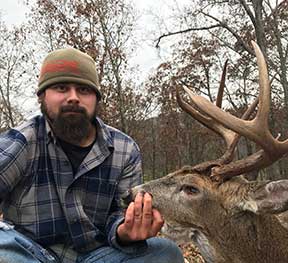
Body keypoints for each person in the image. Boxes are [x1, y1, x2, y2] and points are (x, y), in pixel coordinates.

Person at [0, 47, 184, 263]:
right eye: (61, 88)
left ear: (96, 99)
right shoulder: (21, 141)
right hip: (30, 253)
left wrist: (124, 232)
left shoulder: (125, 150)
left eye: (84, 90)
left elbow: (119, 214)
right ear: (42, 96)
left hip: (96, 256)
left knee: (166, 253)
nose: (73, 98)